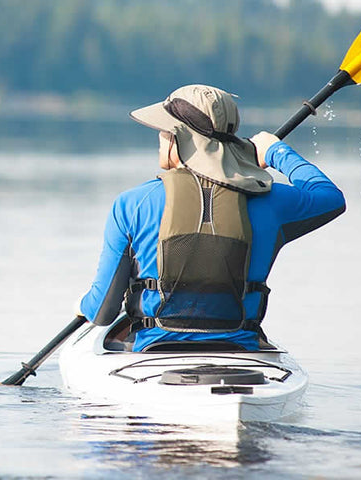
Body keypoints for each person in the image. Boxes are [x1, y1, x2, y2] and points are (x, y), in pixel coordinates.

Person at [76, 84, 345, 352]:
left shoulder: (133, 203)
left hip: (153, 352)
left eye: (163, 130)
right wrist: (276, 152)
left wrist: (84, 305)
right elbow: (331, 198)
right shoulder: (271, 201)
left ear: (178, 138)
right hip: (241, 354)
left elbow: (102, 312)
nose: (159, 137)